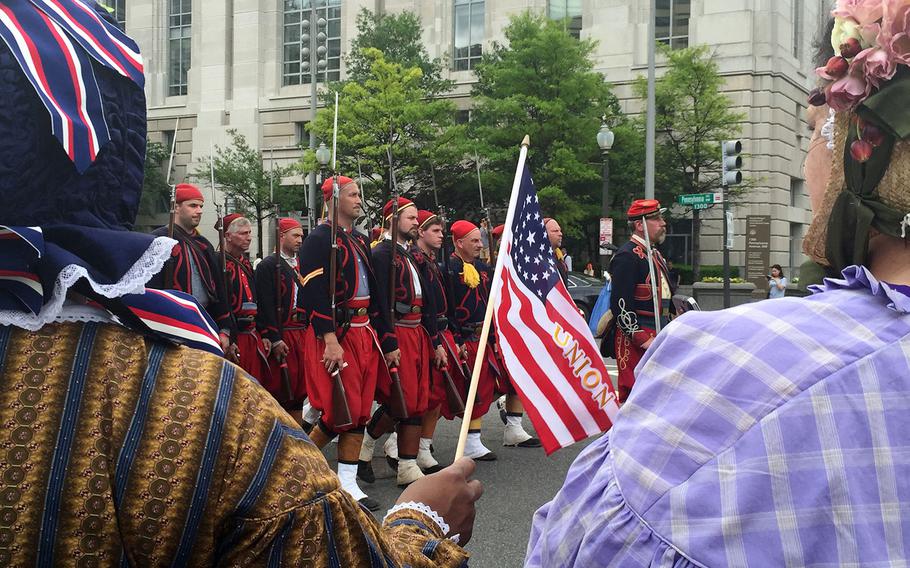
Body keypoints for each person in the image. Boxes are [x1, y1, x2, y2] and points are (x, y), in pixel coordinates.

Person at [0, 3, 478, 565]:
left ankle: (361, 458)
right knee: (334, 411)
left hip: (353, 334)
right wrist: (423, 523)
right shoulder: (184, 401)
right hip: (304, 338)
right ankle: (349, 468)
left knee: (387, 403)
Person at [527, 10, 910, 566]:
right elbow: (624, 297)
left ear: (866, 149)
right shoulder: (630, 258)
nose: (660, 227)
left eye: (810, 135)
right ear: (642, 225)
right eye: (655, 221)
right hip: (639, 335)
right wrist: (634, 335)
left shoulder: (721, 344)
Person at [298, 176, 393, 511]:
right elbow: (313, 293)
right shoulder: (318, 240)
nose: (359, 200)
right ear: (333, 200)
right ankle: (303, 468)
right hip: (340, 334)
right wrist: (329, 338)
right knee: (343, 410)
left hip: (364, 331)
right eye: (353, 194)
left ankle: (346, 482)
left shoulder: (360, 239)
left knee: (359, 412)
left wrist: (387, 336)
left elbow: (376, 292)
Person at [359, 198, 442, 487]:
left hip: (417, 332)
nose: (416, 222)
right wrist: (389, 339)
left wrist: (435, 340)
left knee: (418, 400)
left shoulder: (410, 255)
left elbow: (427, 301)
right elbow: (380, 302)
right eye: (410, 218)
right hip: (399, 332)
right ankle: (366, 444)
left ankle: (407, 465)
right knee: (401, 400)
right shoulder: (382, 254)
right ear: (392, 219)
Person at [446, 220, 540, 457]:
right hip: (463, 338)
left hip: (482, 338)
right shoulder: (448, 269)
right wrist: (455, 338)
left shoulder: (484, 270)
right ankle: (401, 440)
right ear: (459, 243)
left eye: (481, 240)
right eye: (474, 240)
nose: (480, 245)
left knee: (484, 387)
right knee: (453, 393)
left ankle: (473, 440)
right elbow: (447, 308)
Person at [148, 183, 236, 354]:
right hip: (171, 324)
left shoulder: (204, 245)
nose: (199, 210)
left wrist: (225, 329)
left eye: (201, 206)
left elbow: (219, 289)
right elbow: (151, 290)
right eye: (193, 205)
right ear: (176, 207)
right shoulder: (157, 240)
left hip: (204, 322)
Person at [607, 199, 671, 403]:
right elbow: (621, 305)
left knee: (658, 395)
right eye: (657, 219)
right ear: (639, 224)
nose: (663, 223)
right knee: (636, 398)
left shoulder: (655, 254)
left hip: (660, 335)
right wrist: (643, 340)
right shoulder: (626, 256)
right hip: (638, 340)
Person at [255, 217, 308, 418]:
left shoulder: (302, 264)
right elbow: (265, 304)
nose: (300, 240)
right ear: (281, 236)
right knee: (282, 388)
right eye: (295, 235)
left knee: (300, 390)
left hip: (301, 332)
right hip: (283, 334)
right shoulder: (268, 266)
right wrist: (275, 337)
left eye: (301, 235)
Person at [219, 214, 270, 380]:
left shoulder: (247, 263)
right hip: (234, 336)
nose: (248, 238)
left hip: (252, 335)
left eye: (249, 233)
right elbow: (219, 304)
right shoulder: (217, 262)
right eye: (242, 233)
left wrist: (265, 334)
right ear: (227, 236)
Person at [543, 218, 568, 286]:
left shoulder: (560, 260)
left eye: (560, 231)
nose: (560, 234)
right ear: (544, 233)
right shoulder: (536, 260)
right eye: (555, 231)